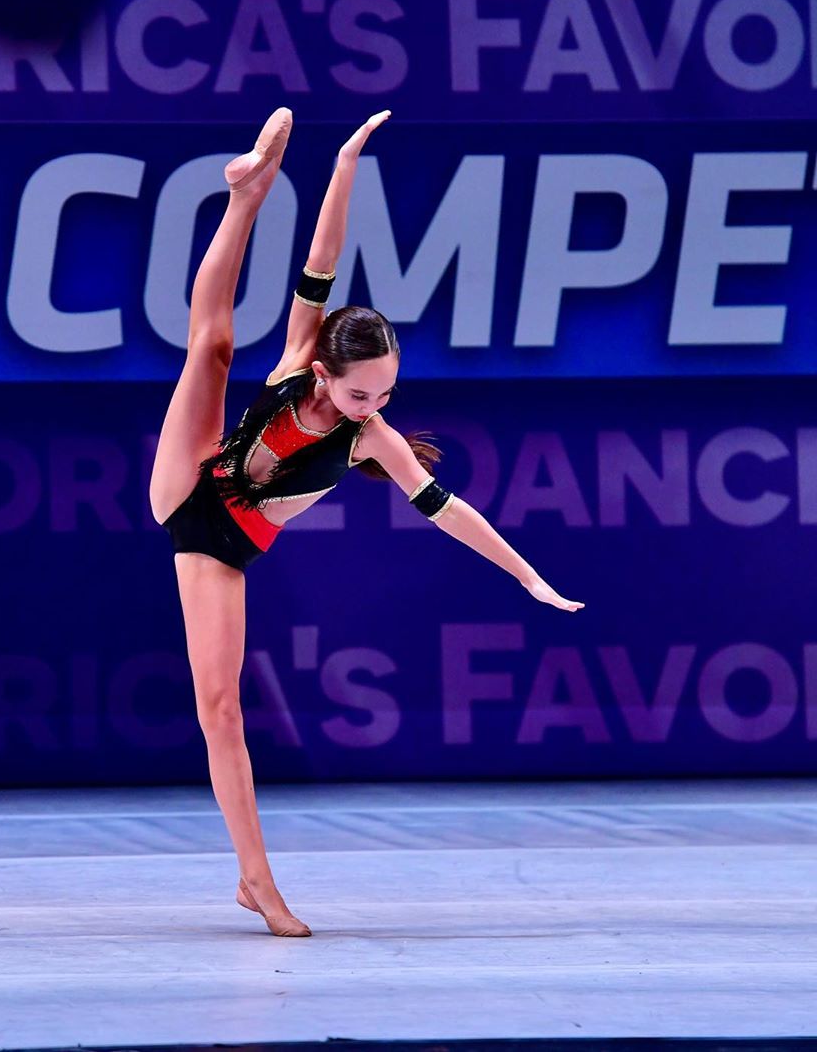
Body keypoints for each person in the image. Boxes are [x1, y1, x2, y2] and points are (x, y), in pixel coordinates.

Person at [149, 108, 584, 937]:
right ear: (323, 370)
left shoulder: (370, 437)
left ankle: (252, 879)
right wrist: (346, 162)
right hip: (191, 483)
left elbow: (447, 509)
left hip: (223, 541)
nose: (373, 406)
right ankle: (247, 195)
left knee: (222, 710)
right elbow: (323, 256)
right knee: (210, 346)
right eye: (359, 393)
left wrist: (528, 575)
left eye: (385, 393)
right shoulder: (298, 358)